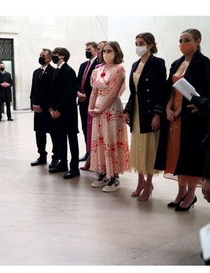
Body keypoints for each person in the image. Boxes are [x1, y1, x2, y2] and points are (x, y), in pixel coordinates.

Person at [155, 28, 210, 211]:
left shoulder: (204, 63)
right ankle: (180, 192)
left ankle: (191, 194)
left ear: (197, 41)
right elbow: (171, 88)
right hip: (174, 116)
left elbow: (205, 92)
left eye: (186, 40)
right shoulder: (177, 63)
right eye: (180, 40)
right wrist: (169, 107)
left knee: (190, 154)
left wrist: (180, 109)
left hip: (192, 115)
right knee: (176, 153)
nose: (182, 44)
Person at [124, 32, 167, 201]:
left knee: (149, 149)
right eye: (136, 43)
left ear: (150, 45)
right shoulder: (135, 64)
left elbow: (161, 91)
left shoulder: (158, 63)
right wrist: (127, 110)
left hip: (149, 113)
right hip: (136, 113)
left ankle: (149, 184)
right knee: (138, 148)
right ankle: (140, 182)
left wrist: (157, 114)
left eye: (141, 43)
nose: (138, 46)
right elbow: (133, 91)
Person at [88, 41, 129, 192]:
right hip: (98, 108)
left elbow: (113, 93)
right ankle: (104, 172)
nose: (105, 54)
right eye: (104, 51)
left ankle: (114, 177)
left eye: (109, 51)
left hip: (111, 109)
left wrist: (101, 109)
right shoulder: (98, 70)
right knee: (100, 140)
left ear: (116, 52)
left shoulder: (119, 69)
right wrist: (91, 108)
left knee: (111, 140)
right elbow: (94, 91)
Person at [48, 47, 80, 179]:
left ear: (61, 56)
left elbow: (69, 93)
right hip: (56, 111)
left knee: (72, 140)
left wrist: (59, 110)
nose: (53, 57)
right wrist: (51, 108)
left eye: (55, 54)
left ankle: (74, 168)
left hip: (67, 112)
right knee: (60, 139)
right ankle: (63, 163)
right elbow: (52, 92)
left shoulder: (69, 71)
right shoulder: (57, 71)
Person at [29, 48, 58, 167]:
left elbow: (53, 92)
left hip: (48, 109)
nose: (41, 57)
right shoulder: (36, 72)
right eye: (40, 55)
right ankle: (41, 156)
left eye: (43, 56)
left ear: (50, 59)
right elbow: (33, 90)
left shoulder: (53, 72)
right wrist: (33, 105)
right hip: (37, 109)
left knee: (53, 134)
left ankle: (55, 157)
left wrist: (46, 107)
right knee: (39, 133)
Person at [76, 41, 100, 167]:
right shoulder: (83, 65)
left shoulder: (99, 64)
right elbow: (78, 81)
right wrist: (78, 93)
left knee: (93, 128)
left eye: (89, 49)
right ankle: (88, 151)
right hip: (82, 101)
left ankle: (94, 154)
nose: (87, 51)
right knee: (85, 128)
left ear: (96, 50)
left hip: (94, 101)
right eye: (86, 48)